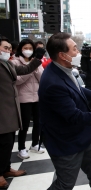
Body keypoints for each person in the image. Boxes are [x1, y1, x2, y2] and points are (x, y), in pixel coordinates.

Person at [38, 32, 91, 190]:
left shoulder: (64, 69)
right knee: (64, 184)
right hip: (65, 141)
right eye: (74, 49)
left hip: (82, 137)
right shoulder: (53, 83)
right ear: (62, 55)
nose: (78, 53)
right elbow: (73, 116)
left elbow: (76, 89)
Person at [0, 35, 45, 189]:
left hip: (11, 106)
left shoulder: (7, 64)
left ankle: (5, 168)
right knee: (3, 141)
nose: (8, 51)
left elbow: (25, 69)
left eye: (9, 48)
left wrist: (37, 59)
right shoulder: (9, 62)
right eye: (5, 48)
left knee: (8, 140)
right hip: (5, 106)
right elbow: (19, 79)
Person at [10, 39, 45, 159]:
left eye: (30, 48)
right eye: (25, 48)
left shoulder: (36, 61)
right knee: (24, 125)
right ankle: (21, 148)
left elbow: (42, 78)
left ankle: (35, 144)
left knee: (38, 122)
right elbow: (17, 81)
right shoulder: (15, 63)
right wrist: (30, 70)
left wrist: (34, 67)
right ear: (21, 49)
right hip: (23, 98)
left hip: (37, 97)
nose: (28, 51)